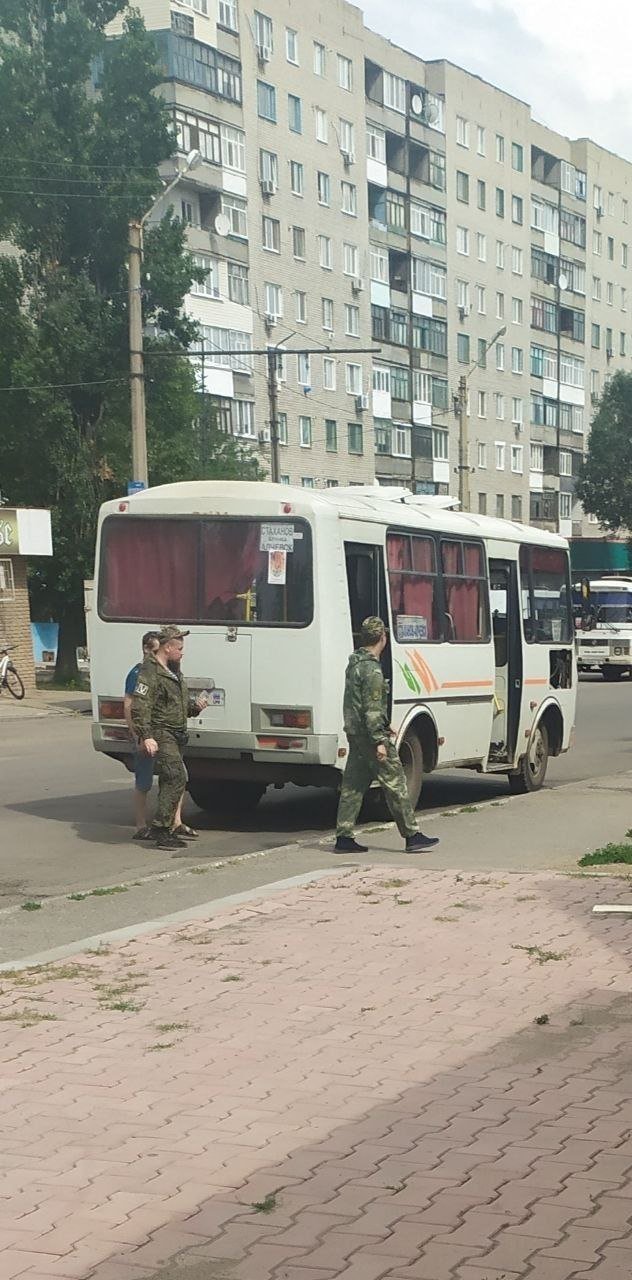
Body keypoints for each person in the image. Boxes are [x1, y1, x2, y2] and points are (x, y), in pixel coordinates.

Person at [334, 616, 440, 855]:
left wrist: (384, 723)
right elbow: (371, 708)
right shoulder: (372, 670)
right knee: (396, 784)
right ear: (382, 638)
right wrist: (380, 740)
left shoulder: (354, 663)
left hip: (355, 732)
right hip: (371, 736)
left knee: (353, 786)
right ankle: (412, 835)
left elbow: (358, 704)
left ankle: (344, 836)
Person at [131, 625, 208, 851]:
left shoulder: (173, 670)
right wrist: (146, 736)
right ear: (166, 648)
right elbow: (140, 706)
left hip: (176, 732)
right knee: (176, 776)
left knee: (171, 778)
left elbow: (175, 703)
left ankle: (169, 828)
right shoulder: (151, 671)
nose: (182, 652)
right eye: (179, 648)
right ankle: (161, 828)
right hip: (161, 732)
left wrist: (195, 708)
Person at [124, 631, 161, 842]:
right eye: (154, 651)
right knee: (144, 782)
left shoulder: (161, 672)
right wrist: (137, 734)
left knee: (177, 776)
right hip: (144, 734)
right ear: (146, 649)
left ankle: (174, 822)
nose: (157, 655)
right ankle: (140, 825)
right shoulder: (137, 673)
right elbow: (129, 705)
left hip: (162, 733)